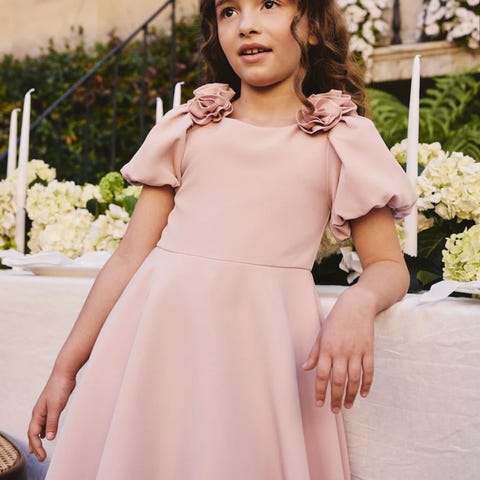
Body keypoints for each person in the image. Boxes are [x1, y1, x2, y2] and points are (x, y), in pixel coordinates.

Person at [28, 0, 417, 477]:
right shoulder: (189, 128)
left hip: (257, 362)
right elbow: (129, 256)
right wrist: (65, 369)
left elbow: (389, 266)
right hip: (156, 351)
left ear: (314, 26)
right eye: (229, 11)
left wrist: (359, 302)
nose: (246, 24)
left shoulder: (342, 139)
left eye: (269, 4)